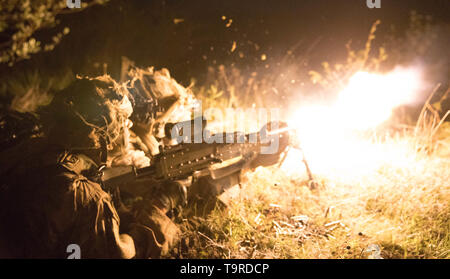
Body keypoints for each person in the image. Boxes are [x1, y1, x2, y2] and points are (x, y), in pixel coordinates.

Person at [0, 72, 186, 258]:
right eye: (123, 125)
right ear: (106, 141)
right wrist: (156, 213)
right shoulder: (89, 199)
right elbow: (118, 253)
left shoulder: (30, 145)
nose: (128, 127)